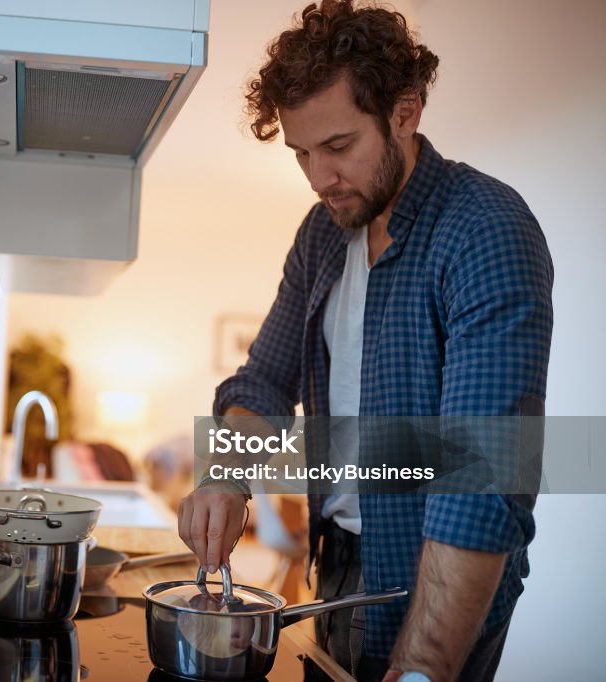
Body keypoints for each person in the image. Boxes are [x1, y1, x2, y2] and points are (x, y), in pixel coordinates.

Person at [176, 2, 553, 681]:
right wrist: (225, 473)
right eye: (301, 153)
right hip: (339, 561)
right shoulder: (322, 235)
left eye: (339, 147)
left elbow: (484, 483)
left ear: (405, 111)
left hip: (439, 575)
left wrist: (424, 666)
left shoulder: (485, 229)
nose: (319, 179)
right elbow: (263, 382)